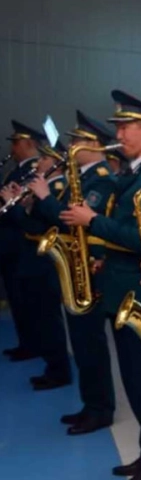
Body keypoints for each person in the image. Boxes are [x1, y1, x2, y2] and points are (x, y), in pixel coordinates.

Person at [60, 90, 141, 480]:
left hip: (139, 293)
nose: (119, 134)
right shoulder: (135, 172)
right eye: (117, 127)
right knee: (132, 376)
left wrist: (92, 221)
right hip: (120, 288)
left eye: (125, 127)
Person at [30, 112, 118, 431]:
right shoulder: (83, 177)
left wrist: (43, 197)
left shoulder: (103, 178)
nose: (71, 146)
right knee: (81, 345)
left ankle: (100, 408)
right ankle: (90, 404)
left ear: (95, 145)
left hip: (89, 271)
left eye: (78, 141)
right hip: (75, 267)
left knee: (90, 344)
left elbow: (73, 219)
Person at [1, 133, 71, 390]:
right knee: (41, 317)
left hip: (45, 262)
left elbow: (36, 227)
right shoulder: (47, 190)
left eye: (44, 159)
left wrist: (15, 206)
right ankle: (52, 366)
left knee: (49, 319)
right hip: (35, 261)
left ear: (55, 162)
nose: (39, 163)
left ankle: (58, 370)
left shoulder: (56, 191)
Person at [0, 121, 42, 362]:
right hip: (10, 246)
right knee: (17, 300)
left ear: (29, 144)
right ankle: (25, 342)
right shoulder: (15, 170)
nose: (13, 148)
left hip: (21, 246)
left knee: (26, 301)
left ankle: (32, 345)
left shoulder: (32, 171)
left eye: (16, 143)